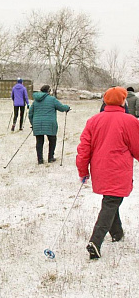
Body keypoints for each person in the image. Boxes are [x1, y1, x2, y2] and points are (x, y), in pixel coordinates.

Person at [76, 86, 139, 259]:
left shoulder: (93, 120)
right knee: (111, 202)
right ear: (123, 101)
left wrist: (83, 170)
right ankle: (95, 242)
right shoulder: (130, 121)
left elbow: (84, 149)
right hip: (119, 170)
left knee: (111, 199)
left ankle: (117, 234)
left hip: (100, 170)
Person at [29, 85, 70, 164]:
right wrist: (67, 108)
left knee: (39, 142)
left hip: (38, 123)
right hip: (50, 123)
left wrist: (33, 123)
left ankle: (40, 159)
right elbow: (61, 107)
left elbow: (30, 113)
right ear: (48, 91)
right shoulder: (52, 99)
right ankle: (50, 157)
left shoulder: (35, 101)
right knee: (52, 140)